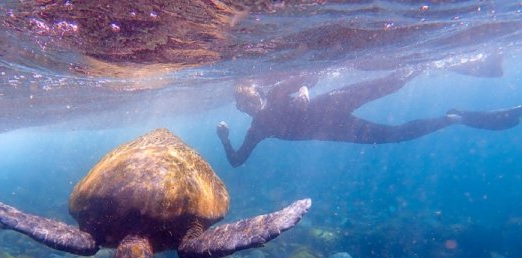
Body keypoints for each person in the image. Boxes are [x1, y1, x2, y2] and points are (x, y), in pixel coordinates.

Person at [217, 70, 522, 167]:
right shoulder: (258, 127)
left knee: (394, 81)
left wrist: (306, 89)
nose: (250, 107)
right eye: (243, 105)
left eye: (250, 100)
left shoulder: (278, 91)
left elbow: (312, 73)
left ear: (259, 92)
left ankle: (453, 65)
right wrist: (225, 138)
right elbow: (237, 160)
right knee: (396, 134)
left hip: (335, 102)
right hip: (340, 130)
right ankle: (456, 118)